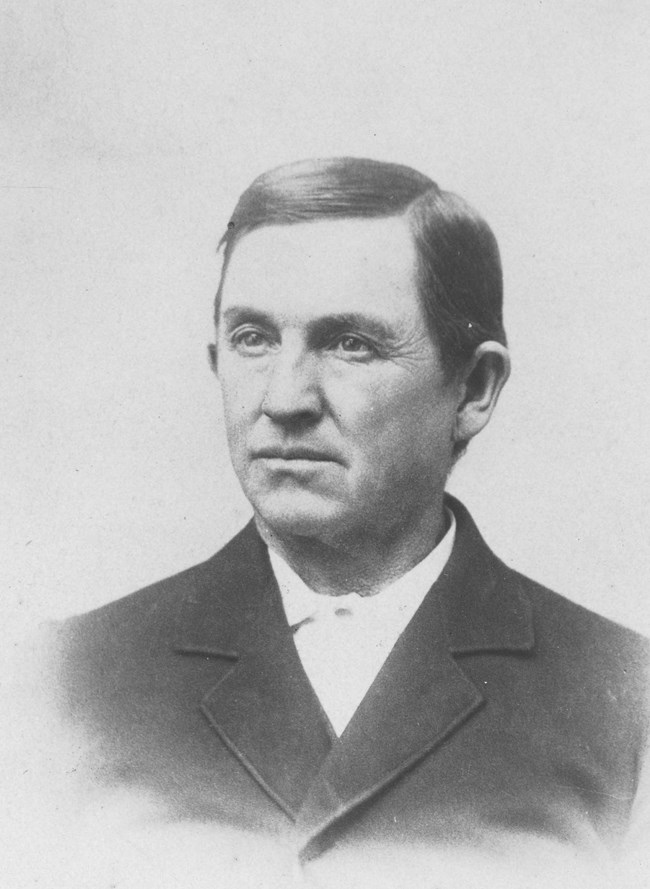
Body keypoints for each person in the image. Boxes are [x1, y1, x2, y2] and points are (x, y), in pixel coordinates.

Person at [52, 158, 649, 879]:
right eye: (252, 338)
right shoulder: (64, 683)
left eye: (350, 343)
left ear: (474, 388)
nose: (283, 398)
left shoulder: (624, 699)